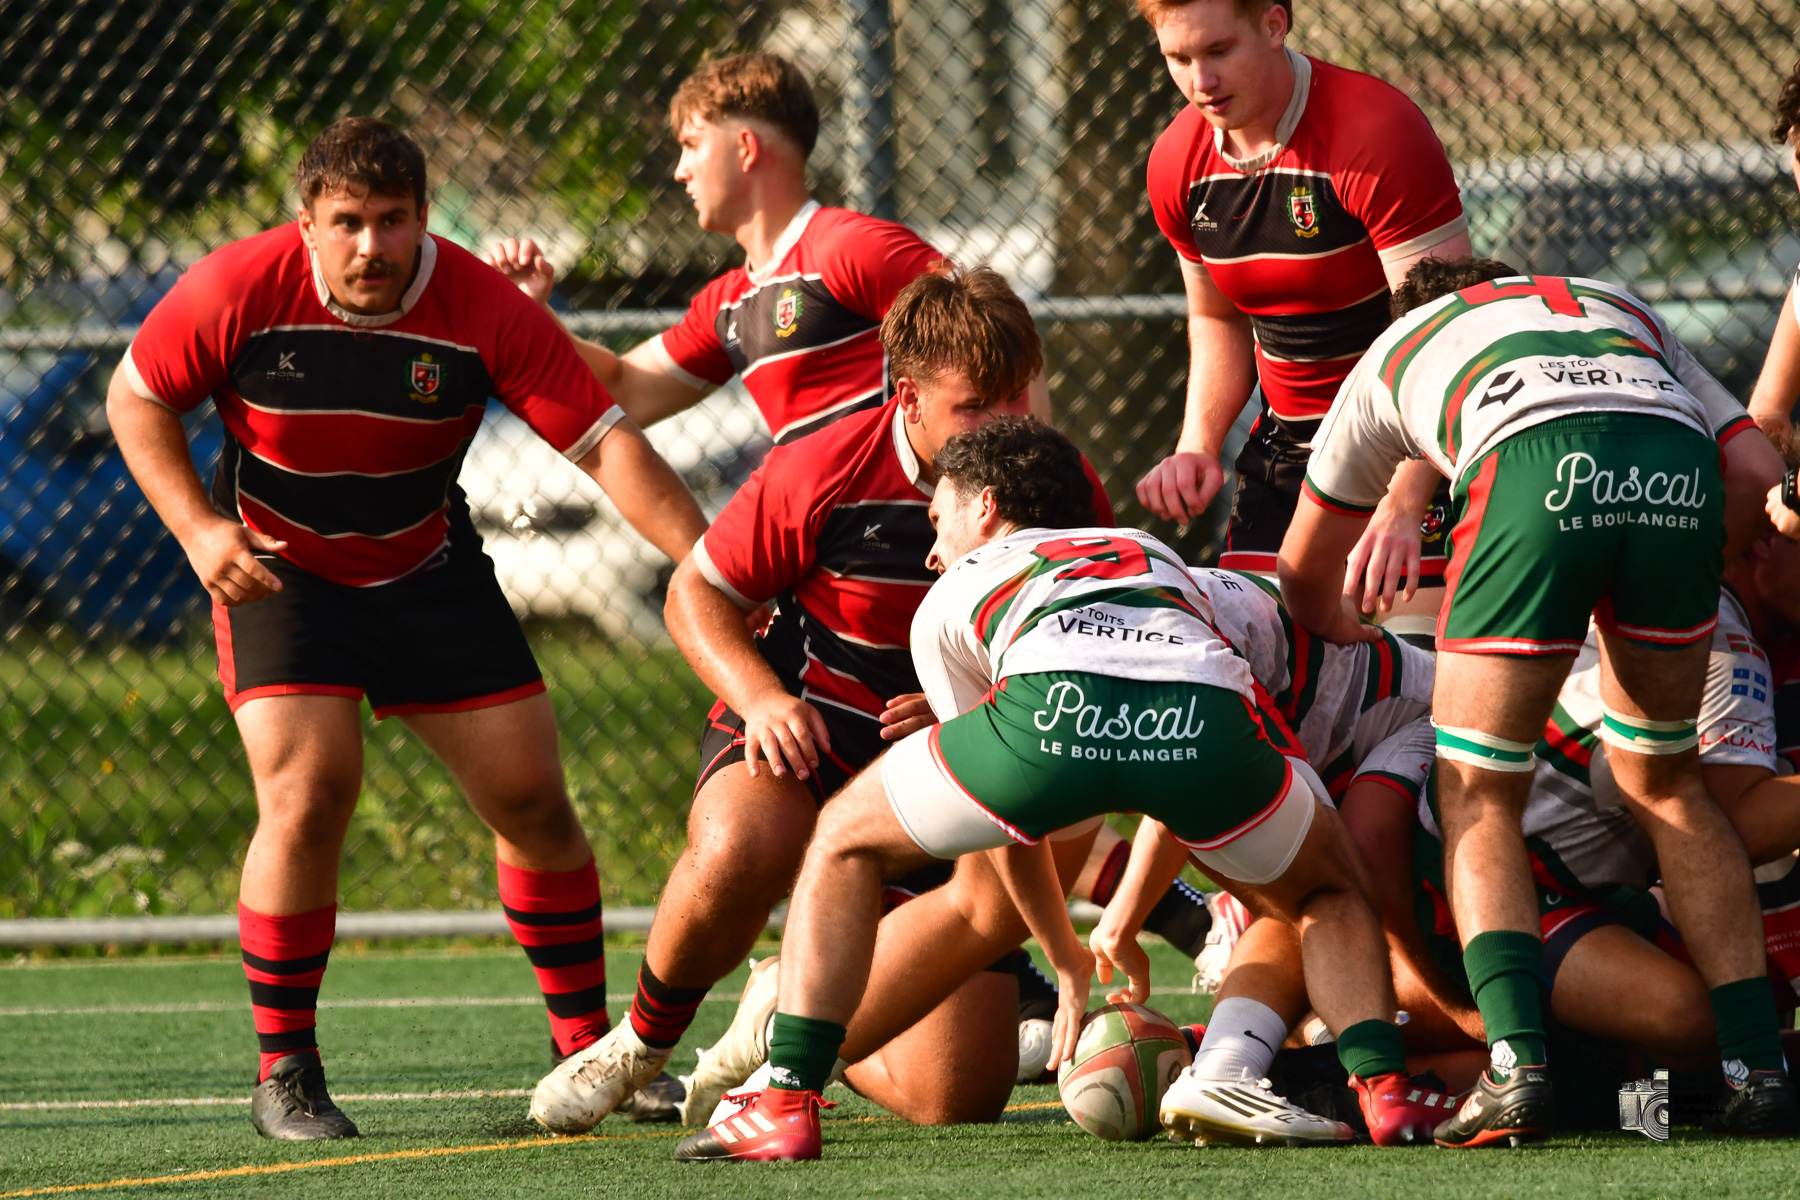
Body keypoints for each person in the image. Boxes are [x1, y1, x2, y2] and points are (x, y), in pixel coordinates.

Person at [104, 118, 708, 1140]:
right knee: (310, 789)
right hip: (279, 573)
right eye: (347, 223)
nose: (372, 245)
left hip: (425, 567)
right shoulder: (236, 285)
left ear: (426, 219)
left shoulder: (480, 304)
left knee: (532, 799)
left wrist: (712, 567)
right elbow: (135, 399)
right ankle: (286, 1071)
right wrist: (201, 531)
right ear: (307, 226)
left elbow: (606, 449)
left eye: (393, 221)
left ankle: (590, 1051)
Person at [672, 417, 1446, 1162]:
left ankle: (782, 1104)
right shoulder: (1161, 557)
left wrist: (1060, 948)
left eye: (937, 519)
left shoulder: (952, 593)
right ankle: (1382, 1088)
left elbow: (1005, 822)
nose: (934, 552)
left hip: (1051, 709)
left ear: (986, 506)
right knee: (1330, 893)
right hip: (1203, 716)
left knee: (842, 839)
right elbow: (1297, 653)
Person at [528, 266, 1113, 1134]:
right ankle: (639, 1044)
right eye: (974, 408)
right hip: (806, 738)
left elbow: (1075, 641)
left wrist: (978, 711)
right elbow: (696, 597)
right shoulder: (824, 463)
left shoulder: (1051, 484)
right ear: (907, 396)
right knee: (743, 842)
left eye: (1014, 402)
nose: (1002, 427)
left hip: (939, 776)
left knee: (954, 1096)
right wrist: (761, 700)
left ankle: (779, 1007)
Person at [1278, 256, 1790, 1145]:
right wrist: (1674, 579)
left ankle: (1516, 1069)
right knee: (1672, 786)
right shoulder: (1616, 303)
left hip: (1536, 473)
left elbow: (1302, 578)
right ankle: (1761, 1072)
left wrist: (1357, 629)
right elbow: (1751, 469)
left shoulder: (1396, 351)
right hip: (1672, 469)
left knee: (1478, 787)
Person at [487, 52, 1047, 444]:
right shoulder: (726, 302)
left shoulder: (849, 246)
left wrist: (1024, 516)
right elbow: (626, 391)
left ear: (747, 147)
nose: (680, 171)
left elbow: (1006, 344)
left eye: (691, 145)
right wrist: (529, 313)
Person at [1132, 0, 1470, 638]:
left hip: (1407, 448)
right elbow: (1217, 319)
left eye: (1219, 51)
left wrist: (1405, 498)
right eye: (1180, 58)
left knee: (1406, 674)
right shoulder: (1176, 162)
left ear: (1273, 24)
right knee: (1259, 659)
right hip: (1289, 450)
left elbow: (1444, 335)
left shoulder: (1375, 131)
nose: (1200, 81)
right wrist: (1197, 447)